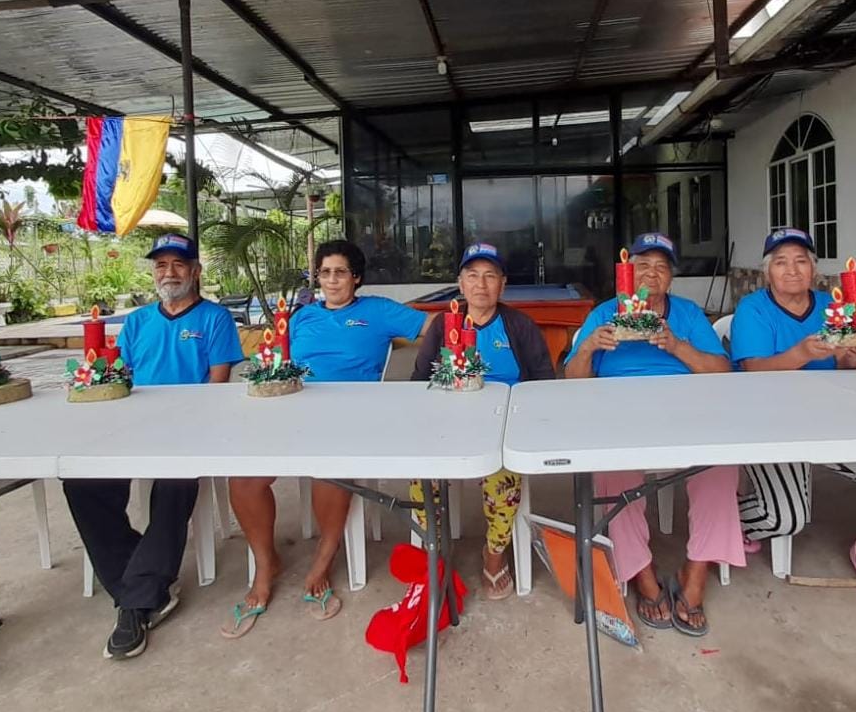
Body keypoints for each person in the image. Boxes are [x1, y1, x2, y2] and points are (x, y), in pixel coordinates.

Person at [225, 240, 434, 635]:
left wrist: (426, 370)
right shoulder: (301, 317)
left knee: (329, 470)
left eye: (340, 272)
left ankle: (323, 559)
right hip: (295, 409)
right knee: (245, 478)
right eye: (325, 273)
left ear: (356, 277)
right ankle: (266, 564)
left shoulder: (378, 311)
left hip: (352, 415)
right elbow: (278, 359)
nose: (332, 280)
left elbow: (437, 327)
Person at [63, 233, 245, 660]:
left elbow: (218, 387)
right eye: (161, 265)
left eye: (178, 264)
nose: (169, 272)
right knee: (81, 482)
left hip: (191, 428)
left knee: (175, 486)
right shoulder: (138, 321)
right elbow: (122, 378)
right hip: (133, 426)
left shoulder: (215, 319)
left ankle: (136, 601)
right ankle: (143, 588)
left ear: (195, 271)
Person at [730, 228, 856, 608]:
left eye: (801, 261)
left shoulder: (834, 307)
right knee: (783, 517)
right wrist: (802, 353)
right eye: (781, 262)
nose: (792, 270)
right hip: (772, 422)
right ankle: (728, 522)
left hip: (835, 419)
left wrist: (851, 360)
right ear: (767, 271)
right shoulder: (753, 309)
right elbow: (753, 369)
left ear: (814, 270)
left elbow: (847, 374)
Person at [566, 232, 743, 636]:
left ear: (671, 278)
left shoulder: (687, 314)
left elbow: (723, 371)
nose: (651, 273)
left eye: (661, 266)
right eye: (642, 265)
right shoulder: (605, 313)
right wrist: (589, 347)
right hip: (619, 414)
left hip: (686, 411)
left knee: (720, 466)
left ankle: (695, 572)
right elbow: (571, 382)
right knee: (613, 470)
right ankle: (642, 573)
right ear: (626, 274)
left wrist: (677, 347)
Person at [409, 243, 555, 600]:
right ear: (461, 284)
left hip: (503, 427)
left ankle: (494, 551)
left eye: (490, 276)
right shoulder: (444, 326)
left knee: (503, 481)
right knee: (423, 476)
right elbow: (418, 382)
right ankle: (433, 549)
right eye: (472, 276)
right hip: (448, 424)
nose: (481, 284)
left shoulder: (518, 326)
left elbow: (544, 383)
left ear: (502, 284)